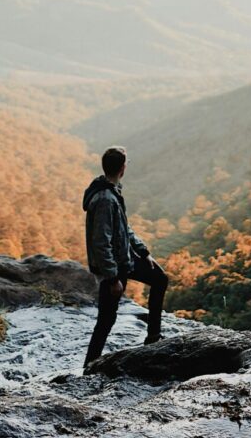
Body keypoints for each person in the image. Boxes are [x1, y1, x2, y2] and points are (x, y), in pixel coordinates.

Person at [83, 146, 168, 367]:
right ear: (122, 168)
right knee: (106, 320)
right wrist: (112, 279)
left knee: (160, 278)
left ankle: (153, 338)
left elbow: (124, 229)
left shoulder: (112, 191)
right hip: (114, 267)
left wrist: (143, 251)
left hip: (126, 258)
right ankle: (89, 366)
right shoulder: (105, 199)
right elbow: (101, 242)